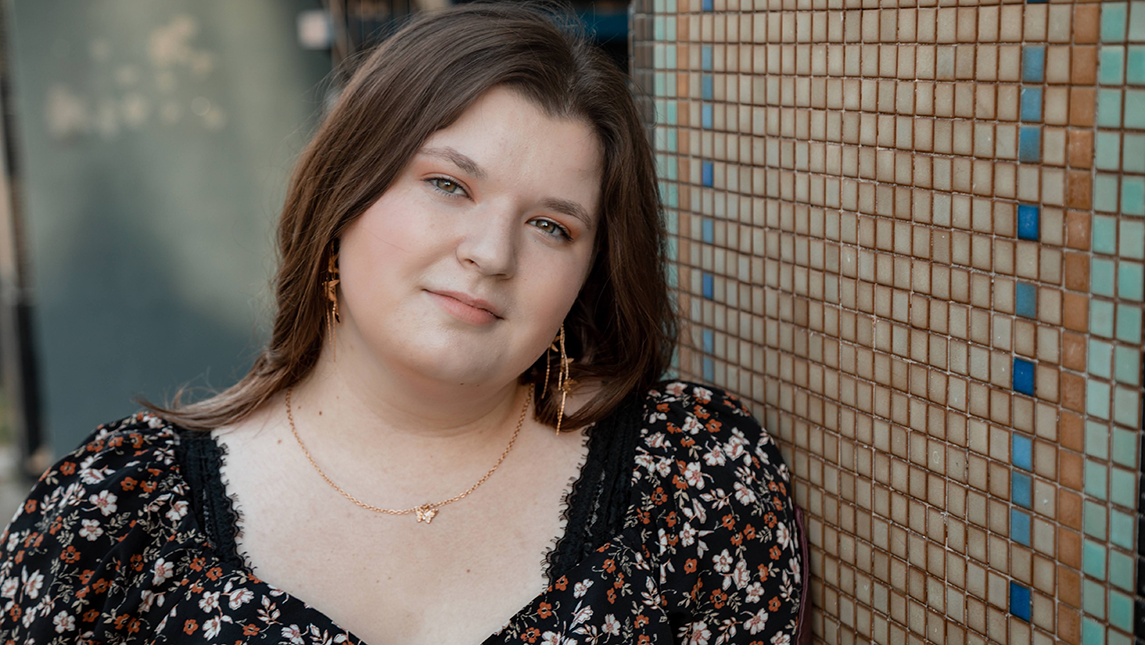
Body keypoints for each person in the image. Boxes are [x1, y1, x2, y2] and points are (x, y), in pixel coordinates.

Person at [0, 3, 804, 643]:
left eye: (551, 226)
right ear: (343, 195)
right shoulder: (114, 515)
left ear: (586, 276)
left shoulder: (689, 479)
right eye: (449, 185)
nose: (491, 252)